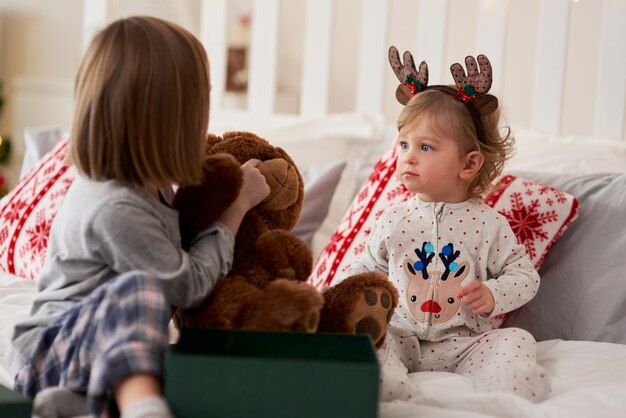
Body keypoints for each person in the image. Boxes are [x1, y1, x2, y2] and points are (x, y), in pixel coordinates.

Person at [6, 16, 270, 418]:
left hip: (90, 356)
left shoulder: (153, 188)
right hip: (49, 356)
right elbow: (188, 286)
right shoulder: (115, 207)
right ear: (168, 124)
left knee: (164, 345)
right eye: (199, 108)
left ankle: (80, 404)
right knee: (140, 291)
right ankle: (141, 408)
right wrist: (236, 207)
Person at [347, 48, 551, 403]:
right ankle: (387, 386)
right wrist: (339, 297)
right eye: (404, 143)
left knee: (516, 339)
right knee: (369, 339)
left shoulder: (490, 225)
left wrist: (493, 294)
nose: (408, 155)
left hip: (464, 343)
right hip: (401, 335)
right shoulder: (394, 219)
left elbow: (524, 277)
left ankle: (512, 388)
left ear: (469, 164)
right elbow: (365, 269)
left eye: (426, 147)